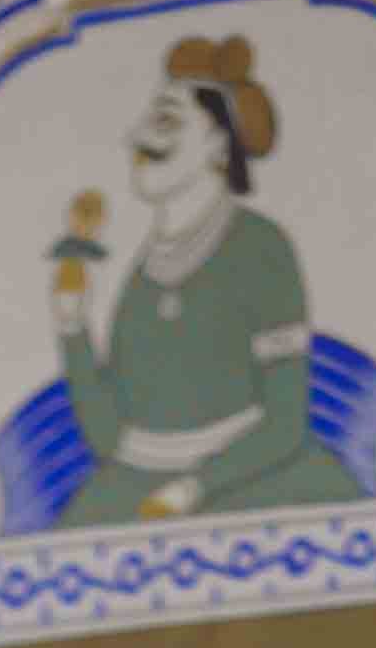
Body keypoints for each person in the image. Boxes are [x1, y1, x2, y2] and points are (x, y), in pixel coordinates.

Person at [51, 33, 358, 531]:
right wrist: (72, 326)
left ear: (219, 142)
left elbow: (284, 425)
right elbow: (110, 439)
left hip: (251, 482)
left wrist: (193, 488)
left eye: (165, 121)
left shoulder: (261, 249)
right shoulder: (142, 276)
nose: (136, 137)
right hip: (136, 488)